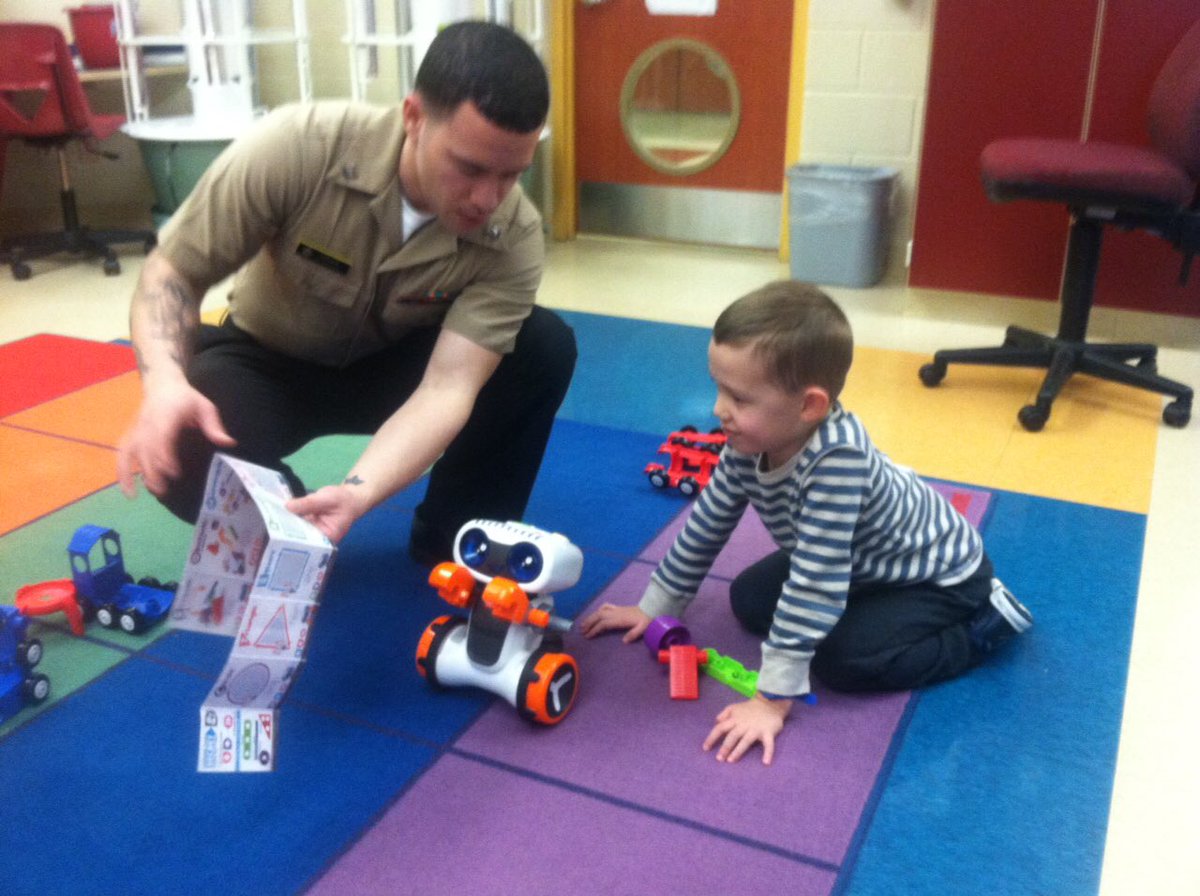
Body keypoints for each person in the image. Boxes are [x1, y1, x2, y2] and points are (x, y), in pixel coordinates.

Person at [116, 21, 576, 560]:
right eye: (469, 167)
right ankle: (293, 529)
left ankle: (456, 538)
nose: (487, 198)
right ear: (413, 117)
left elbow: (446, 389)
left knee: (541, 347)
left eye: (510, 174)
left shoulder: (514, 233)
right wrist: (164, 383)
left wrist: (358, 493)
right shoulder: (297, 148)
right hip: (270, 361)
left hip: (399, 366)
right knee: (178, 436)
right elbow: (173, 271)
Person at [580, 281, 1032, 766]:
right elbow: (708, 520)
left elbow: (816, 582)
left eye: (739, 398)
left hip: (937, 578)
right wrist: (655, 606)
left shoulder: (837, 462)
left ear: (809, 406)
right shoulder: (749, 440)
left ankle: (982, 629)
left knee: (843, 662)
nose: (718, 410)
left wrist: (772, 698)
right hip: (858, 562)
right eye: (719, 389)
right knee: (748, 600)